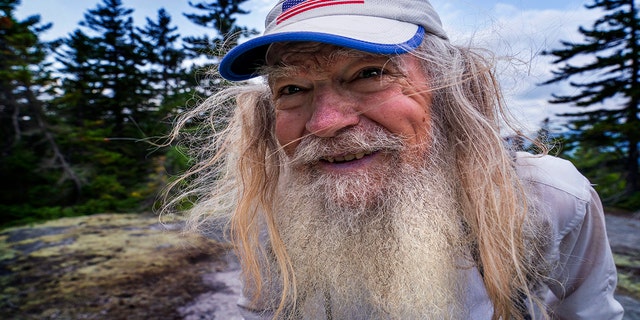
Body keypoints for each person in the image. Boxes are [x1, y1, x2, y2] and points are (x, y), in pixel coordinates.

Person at [166, 0, 625, 319]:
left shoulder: (549, 199)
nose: (324, 122)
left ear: (449, 87)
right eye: (291, 90)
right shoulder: (272, 212)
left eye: (369, 73)